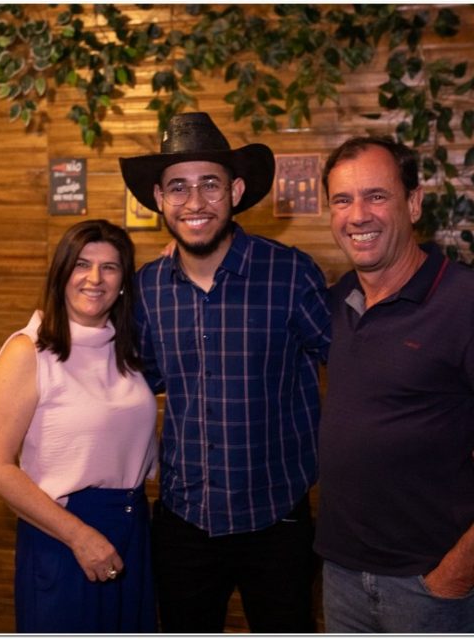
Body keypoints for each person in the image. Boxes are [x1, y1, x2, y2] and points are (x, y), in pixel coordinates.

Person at [119, 112, 331, 632]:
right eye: (178, 187)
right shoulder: (147, 289)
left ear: (235, 191)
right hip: (184, 522)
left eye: (210, 184)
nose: (194, 202)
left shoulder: (290, 274)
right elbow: (135, 385)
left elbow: (352, 370)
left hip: (277, 519)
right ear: (159, 198)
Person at [314, 135, 474, 632]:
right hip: (341, 576)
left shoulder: (464, 302)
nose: (357, 215)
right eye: (342, 200)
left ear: (414, 202)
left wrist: (456, 574)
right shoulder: (336, 302)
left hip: (431, 586)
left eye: (376, 196)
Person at [0, 219, 158, 633]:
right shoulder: (29, 351)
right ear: (61, 273)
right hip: (64, 533)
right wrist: (79, 536)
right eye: (81, 264)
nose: (95, 278)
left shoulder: (126, 349)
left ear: (123, 283)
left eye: (110, 267)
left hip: (132, 528)